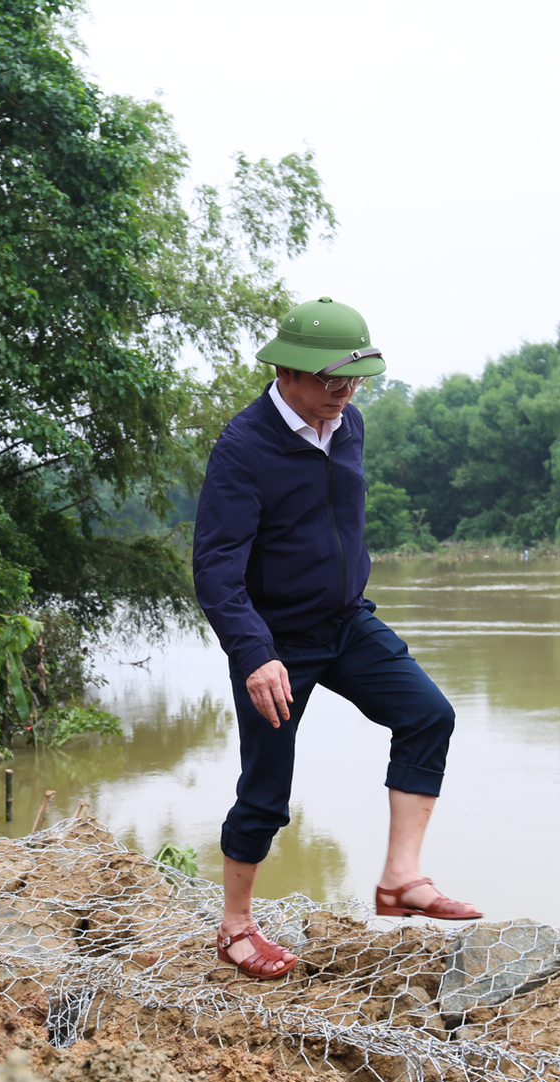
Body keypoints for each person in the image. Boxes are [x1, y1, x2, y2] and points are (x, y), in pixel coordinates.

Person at [193, 296, 473, 982]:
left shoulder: (347, 427)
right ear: (288, 372)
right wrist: (254, 654)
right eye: (332, 381)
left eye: (354, 381)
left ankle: (400, 879)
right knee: (267, 788)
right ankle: (234, 929)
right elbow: (215, 568)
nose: (346, 394)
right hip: (276, 643)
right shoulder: (244, 448)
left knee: (428, 714)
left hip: (347, 621)